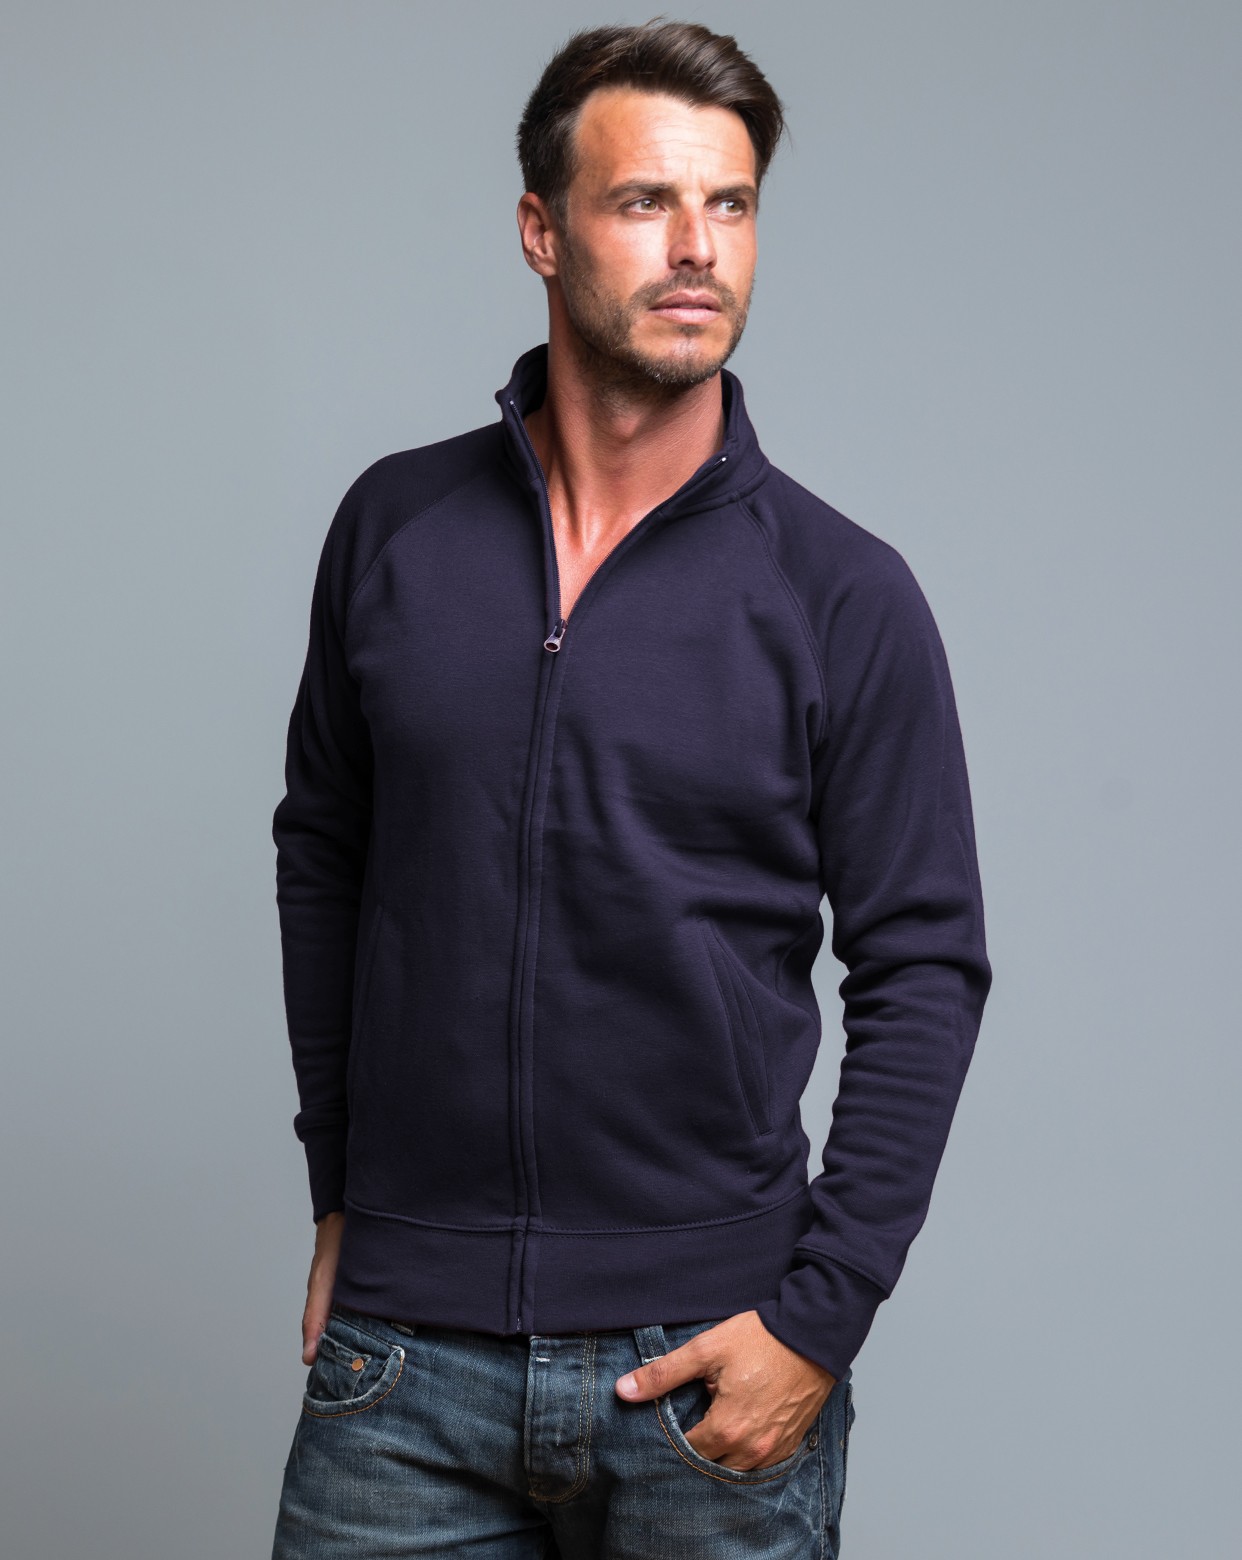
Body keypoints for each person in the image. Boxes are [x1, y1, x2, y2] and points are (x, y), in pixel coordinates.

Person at [269, 18, 991, 1560]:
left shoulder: (839, 592)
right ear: (542, 230)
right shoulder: (394, 530)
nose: (696, 248)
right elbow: (325, 856)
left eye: (729, 205)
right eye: (644, 201)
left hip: (707, 1365)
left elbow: (924, 963)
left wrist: (820, 1315)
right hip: (402, 1360)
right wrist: (342, 1195)